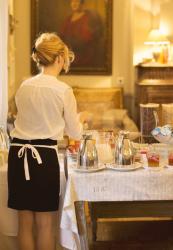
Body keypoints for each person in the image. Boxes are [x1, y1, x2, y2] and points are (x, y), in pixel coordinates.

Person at [7, 33, 87, 250]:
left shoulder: (24, 86)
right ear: (60, 58)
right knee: (45, 224)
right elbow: (75, 133)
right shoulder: (63, 90)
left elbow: (21, 119)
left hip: (17, 154)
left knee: (24, 223)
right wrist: (80, 120)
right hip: (43, 157)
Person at [60, 0, 104, 67]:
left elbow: (87, 39)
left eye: (77, 1)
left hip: (84, 56)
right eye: (72, 1)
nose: (74, 4)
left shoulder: (88, 18)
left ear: (82, 3)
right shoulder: (68, 19)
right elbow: (61, 37)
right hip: (68, 56)